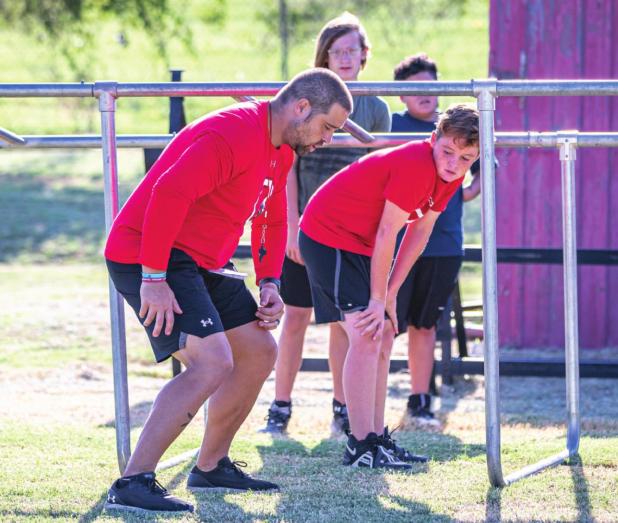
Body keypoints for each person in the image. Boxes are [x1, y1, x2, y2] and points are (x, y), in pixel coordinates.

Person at [103, 68, 352, 514]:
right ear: (300, 108)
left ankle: (210, 466)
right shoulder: (233, 133)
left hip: (202, 260)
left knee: (259, 350)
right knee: (212, 362)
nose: (328, 139)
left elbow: (273, 219)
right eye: (327, 127)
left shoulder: (283, 151)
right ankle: (132, 481)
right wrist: (154, 278)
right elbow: (167, 195)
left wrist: (270, 280)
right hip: (149, 251)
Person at [299, 104, 480, 468]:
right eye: (447, 151)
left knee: (381, 332)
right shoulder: (417, 164)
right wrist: (378, 299)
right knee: (367, 333)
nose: (453, 163)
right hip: (328, 236)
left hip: (358, 244)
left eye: (465, 158)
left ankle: (376, 438)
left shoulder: (451, 177)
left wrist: (391, 295)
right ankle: (360, 444)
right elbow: (387, 233)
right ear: (433, 139)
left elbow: (420, 232)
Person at [261, 12, 390, 436]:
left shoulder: (376, 107)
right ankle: (280, 406)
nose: (347, 57)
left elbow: (375, 172)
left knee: (343, 322)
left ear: (365, 54)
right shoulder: (305, 102)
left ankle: (342, 407)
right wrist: (293, 223)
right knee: (295, 315)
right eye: (339, 50)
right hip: (305, 225)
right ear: (325, 56)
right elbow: (289, 171)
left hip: (346, 230)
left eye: (354, 49)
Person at [391, 54, 482, 427]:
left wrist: (462, 192)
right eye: (416, 87)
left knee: (425, 324)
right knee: (383, 322)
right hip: (398, 240)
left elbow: (481, 173)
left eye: (431, 85)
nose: (426, 94)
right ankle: (361, 409)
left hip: (443, 241)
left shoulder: (460, 128)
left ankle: (421, 400)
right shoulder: (393, 126)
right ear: (400, 95)